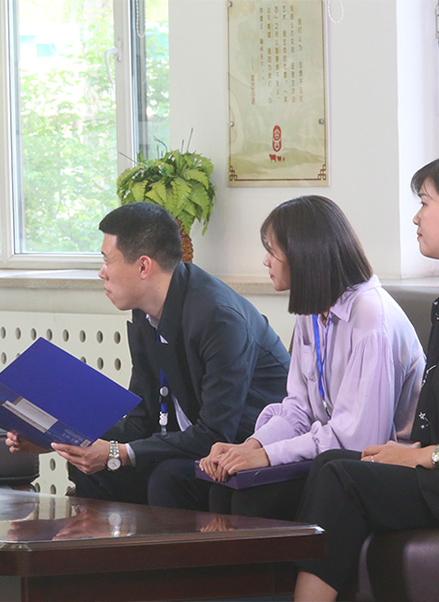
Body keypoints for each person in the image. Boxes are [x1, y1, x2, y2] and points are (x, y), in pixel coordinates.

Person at [293, 154, 439, 601]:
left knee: (340, 478)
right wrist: (409, 452)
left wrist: (423, 456)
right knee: (330, 463)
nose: (416, 217)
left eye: (425, 202)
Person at [7, 201, 290, 506]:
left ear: (143, 266)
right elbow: (142, 420)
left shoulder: (218, 317)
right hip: (194, 445)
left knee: (166, 476)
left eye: (107, 260)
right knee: (95, 471)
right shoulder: (146, 311)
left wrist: (118, 453)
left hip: (245, 450)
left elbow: (215, 433)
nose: (102, 273)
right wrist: (60, 439)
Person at [181, 196, 424, 520]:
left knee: (254, 499)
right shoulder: (312, 310)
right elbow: (299, 408)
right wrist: (252, 446)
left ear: (303, 255)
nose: (266, 261)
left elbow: (357, 440)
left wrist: (268, 456)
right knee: (224, 484)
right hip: (329, 457)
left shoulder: (371, 319)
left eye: (272, 251)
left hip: (378, 468)